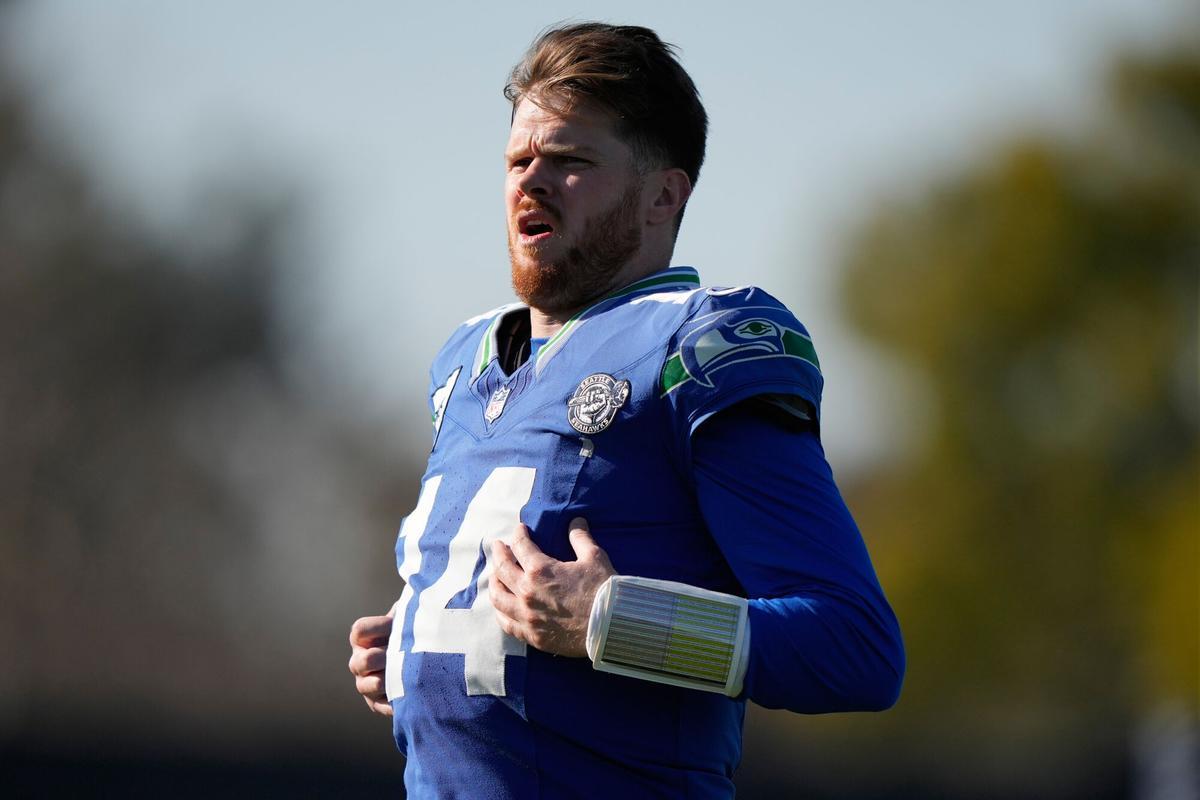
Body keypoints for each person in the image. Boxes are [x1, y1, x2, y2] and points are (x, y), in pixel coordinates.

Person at [348, 22, 904, 799]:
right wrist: (420, 648)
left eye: (570, 162)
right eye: (518, 160)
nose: (530, 183)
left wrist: (617, 620)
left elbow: (856, 649)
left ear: (661, 196)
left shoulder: (699, 344)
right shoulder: (466, 363)